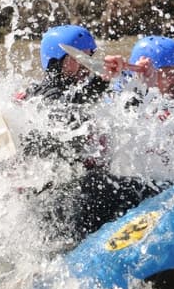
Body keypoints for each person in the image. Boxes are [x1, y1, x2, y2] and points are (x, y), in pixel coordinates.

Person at [20, 24, 164, 244]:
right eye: (79, 59)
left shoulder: (79, 91)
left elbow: (124, 112)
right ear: (57, 61)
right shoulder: (41, 96)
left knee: (147, 188)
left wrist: (143, 86)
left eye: (89, 58)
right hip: (59, 203)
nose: (86, 67)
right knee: (145, 193)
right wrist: (103, 79)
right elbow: (67, 110)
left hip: (85, 194)